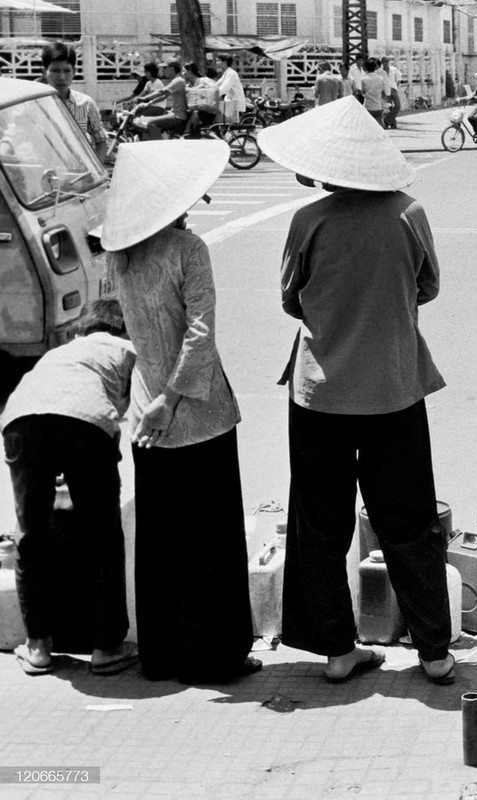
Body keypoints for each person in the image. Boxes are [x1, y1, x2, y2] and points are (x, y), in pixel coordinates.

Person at [257, 97, 455, 685]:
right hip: (393, 388)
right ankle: (435, 652)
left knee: (321, 523)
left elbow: (292, 298)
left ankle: (339, 650)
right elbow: (429, 286)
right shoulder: (409, 212)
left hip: (320, 396)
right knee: (410, 521)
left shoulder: (308, 220)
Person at [102, 139, 257, 683]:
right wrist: (173, 398)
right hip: (198, 412)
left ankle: (164, 655)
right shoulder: (187, 248)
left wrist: (150, 399)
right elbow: (200, 333)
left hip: (146, 415)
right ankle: (219, 655)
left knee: (162, 542)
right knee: (211, 537)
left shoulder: (119, 256)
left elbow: (113, 328)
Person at [2, 300, 139, 678]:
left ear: (83, 329)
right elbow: (124, 410)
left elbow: (50, 409)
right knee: (103, 534)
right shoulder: (129, 349)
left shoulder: (61, 351)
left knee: (30, 534)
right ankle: (107, 648)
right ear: (122, 330)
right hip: (86, 421)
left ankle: (38, 647)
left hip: (21, 418)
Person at [41, 43, 107, 162]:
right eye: (55, 71)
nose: (62, 77)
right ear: (44, 72)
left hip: (78, 174)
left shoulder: (86, 104)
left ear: (74, 71)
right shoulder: (34, 104)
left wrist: (98, 169)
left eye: (67, 71)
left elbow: (101, 139)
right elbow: (12, 136)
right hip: (44, 173)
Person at [134, 59, 188, 140]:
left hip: (178, 117)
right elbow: (164, 96)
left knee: (150, 123)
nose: (163, 71)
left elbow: (162, 92)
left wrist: (144, 98)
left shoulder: (178, 81)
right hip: (174, 114)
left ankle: (159, 145)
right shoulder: (176, 81)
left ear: (172, 69)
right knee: (143, 119)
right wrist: (150, 103)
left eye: (165, 68)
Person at [182, 61, 220, 137]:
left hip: (209, 112)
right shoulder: (188, 85)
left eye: (184, 71)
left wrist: (201, 90)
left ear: (190, 71)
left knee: (195, 114)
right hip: (198, 112)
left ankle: (187, 134)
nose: (182, 73)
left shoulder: (204, 80)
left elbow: (215, 89)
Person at [214, 53, 247, 124]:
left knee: (222, 123)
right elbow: (217, 84)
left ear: (224, 63)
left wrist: (213, 95)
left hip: (234, 103)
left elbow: (224, 89)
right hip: (230, 102)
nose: (216, 63)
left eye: (218, 61)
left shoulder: (231, 74)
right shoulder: (226, 73)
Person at [360, 58, 388, 125]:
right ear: (375, 67)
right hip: (378, 106)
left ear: (366, 68)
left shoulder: (364, 79)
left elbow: (363, 92)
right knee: (379, 126)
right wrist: (385, 104)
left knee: (368, 127)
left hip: (368, 106)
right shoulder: (380, 78)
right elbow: (383, 92)